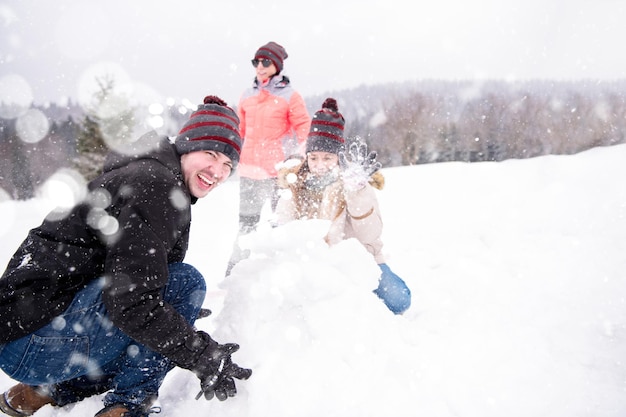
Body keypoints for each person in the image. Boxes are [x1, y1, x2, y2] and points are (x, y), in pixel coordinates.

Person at [0, 96, 252, 417]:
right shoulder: (157, 186)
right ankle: (127, 408)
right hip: (35, 342)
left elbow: (131, 282)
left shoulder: (152, 176)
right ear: (187, 147)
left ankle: (43, 391)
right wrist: (199, 352)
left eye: (228, 165)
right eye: (210, 154)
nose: (217, 171)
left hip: (20, 338)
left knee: (161, 314)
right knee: (185, 284)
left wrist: (171, 314)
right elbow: (133, 304)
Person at [274, 98, 411, 314]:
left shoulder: (352, 183)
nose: (319, 166)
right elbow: (284, 230)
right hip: (311, 261)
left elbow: (370, 235)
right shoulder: (294, 185)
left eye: (328, 158)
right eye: (314, 158)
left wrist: (357, 192)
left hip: (357, 260)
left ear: (339, 158)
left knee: (398, 299)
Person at [235, 41, 311, 234]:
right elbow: (238, 131)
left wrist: (300, 157)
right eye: (256, 62)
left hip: (278, 174)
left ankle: (281, 265)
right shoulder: (246, 95)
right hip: (249, 172)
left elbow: (304, 129)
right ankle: (237, 265)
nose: (260, 67)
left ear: (277, 65)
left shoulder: (290, 96)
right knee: (246, 229)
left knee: (281, 226)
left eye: (266, 62)